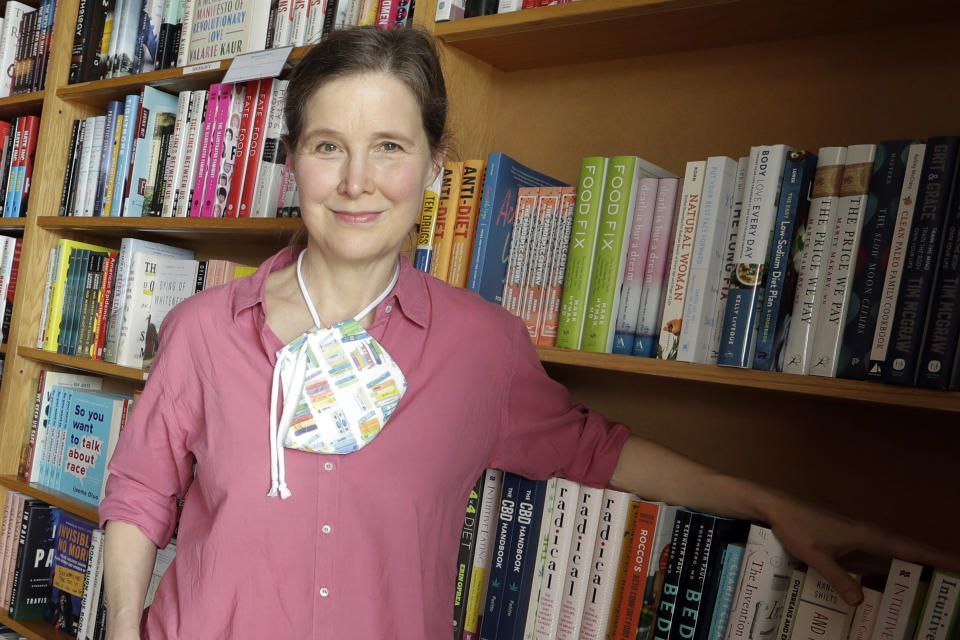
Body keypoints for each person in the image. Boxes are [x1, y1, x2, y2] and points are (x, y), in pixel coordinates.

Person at [101, 26, 956, 640]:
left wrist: (772, 503)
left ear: (435, 168)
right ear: (293, 162)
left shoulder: (481, 348)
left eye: (389, 146)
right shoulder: (206, 330)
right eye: (329, 146)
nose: (358, 181)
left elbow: (595, 452)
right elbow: (139, 495)